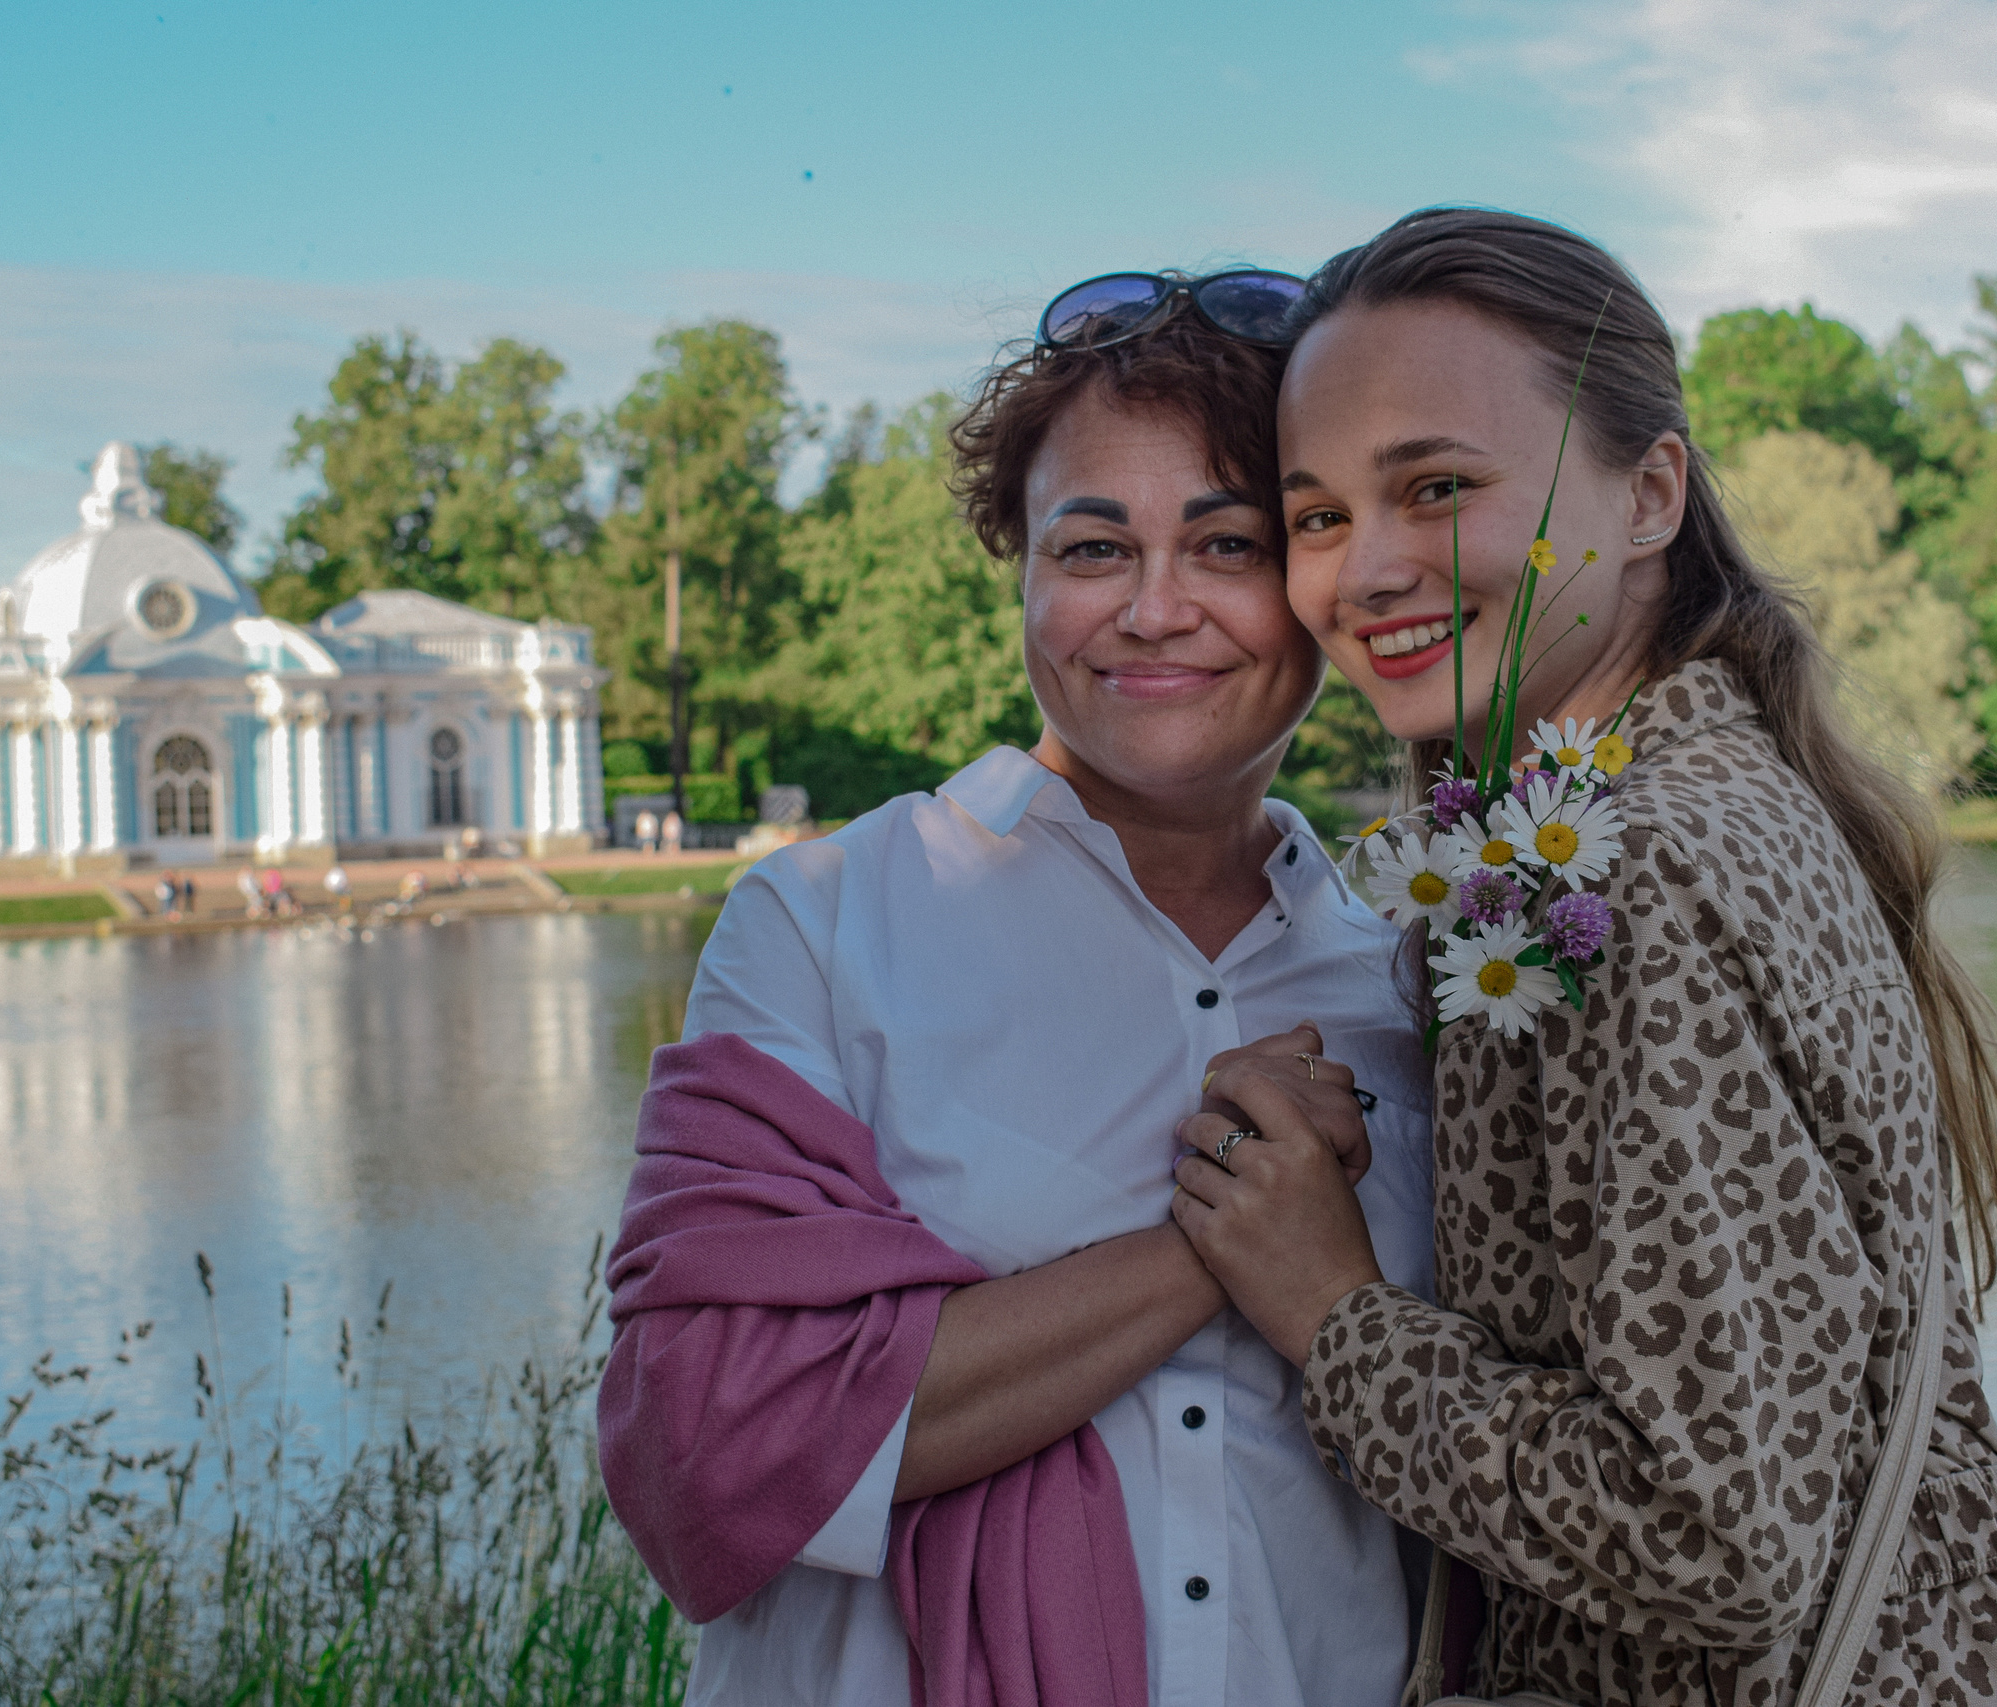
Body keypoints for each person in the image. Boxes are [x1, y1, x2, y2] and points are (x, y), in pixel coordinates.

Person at [1168, 208, 1997, 1707]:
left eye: (1439, 488)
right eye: (1320, 517)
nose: (1366, 570)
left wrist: (1333, 1319)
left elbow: (1710, 1538)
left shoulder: (1621, 876)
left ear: (1651, 492)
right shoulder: (1697, 799)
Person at [601, 276, 1437, 1707]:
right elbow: (709, 1447)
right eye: (1095, 545)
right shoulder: (824, 924)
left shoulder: (1415, 979)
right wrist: (1235, 1229)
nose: (1154, 610)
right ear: (1026, 572)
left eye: (1226, 542)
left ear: (1317, 576)